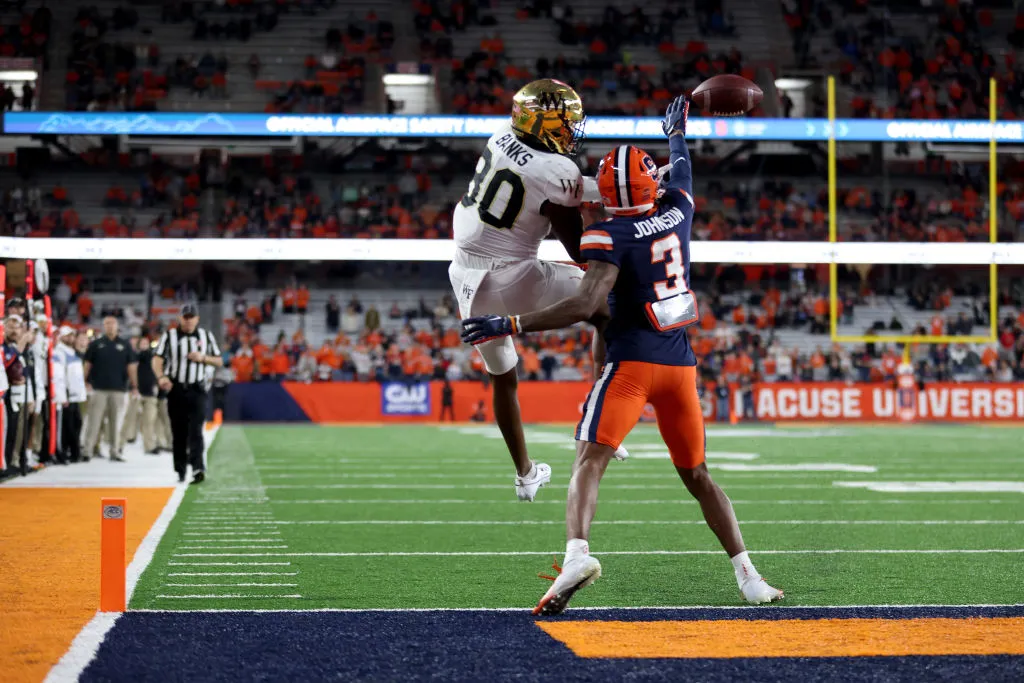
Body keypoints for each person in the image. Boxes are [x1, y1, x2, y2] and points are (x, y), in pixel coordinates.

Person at [461, 96, 783, 614]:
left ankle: (576, 554)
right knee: (698, 475)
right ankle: (749, 575)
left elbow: (586, 300)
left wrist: (510, 323)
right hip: (680, 368)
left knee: (588, 460)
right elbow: (681, 168)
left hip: (631, 369)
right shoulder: (679, 210)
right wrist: (676, 132)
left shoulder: (606, 233)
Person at [448, 78, 625, 502]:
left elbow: (546, 182)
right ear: (542, 122)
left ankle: (525, 474)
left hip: (465, 277)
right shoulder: (556, 170)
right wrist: (622, 211)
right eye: (564, 123)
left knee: (502, 379)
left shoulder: (502, 135)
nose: (571, 131)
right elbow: (578, 247)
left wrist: (600, 190)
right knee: (605, 308)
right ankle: (601, 419)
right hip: (512, 277)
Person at [153, 304, 222, 484]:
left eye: (192, 317)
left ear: (197, 319)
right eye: (186, 317)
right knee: (179, 431)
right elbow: (157, 358)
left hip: (197, 389)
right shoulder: (170, 336)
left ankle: (198, 467)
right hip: (176, 388)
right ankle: (180, 468)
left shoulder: (206, 336)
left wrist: (203, 358)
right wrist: (161, 377)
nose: (189, 320)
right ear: (180, 318)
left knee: (196, 430)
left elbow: (219, 360)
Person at [83, 316, 139, 462]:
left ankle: (115, 451)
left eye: (112, 323)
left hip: (119, 389)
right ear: (103, 326)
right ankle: (87, 450)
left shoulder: (125, 344)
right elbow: (87, 364)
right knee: (94, 421)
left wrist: (134, 385)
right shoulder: (96, 344)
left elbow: (131, 367)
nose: (110, 326)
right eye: (107, 323)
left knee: (116, 422)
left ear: (117, 326)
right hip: (99, 388)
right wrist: (84, 381)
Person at [52, 325, 87, 463]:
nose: (71, 338)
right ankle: (65, 452)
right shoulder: (59, 352)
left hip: (75, 395)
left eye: (72, 335)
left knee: (76, 424)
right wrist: (62, 396)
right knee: (67, 427)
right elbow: (59, 376)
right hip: (66, 396)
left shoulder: (72, 352)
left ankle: (74, 452)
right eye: (67, 335)